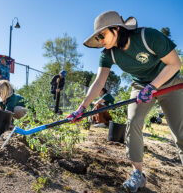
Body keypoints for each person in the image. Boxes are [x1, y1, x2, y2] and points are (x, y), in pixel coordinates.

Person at [67, 11, 183, 192]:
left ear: (116, 29)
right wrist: (82, 107)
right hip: (140, 87)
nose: (100, 40)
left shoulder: (148, 37)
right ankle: (138, 174)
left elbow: (175, 63)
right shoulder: (108, 54)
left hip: (170, 82)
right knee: (133, 122)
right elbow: (99, 82)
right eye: (97, 37)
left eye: (102, 35)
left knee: (180, 133)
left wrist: (152, 87)